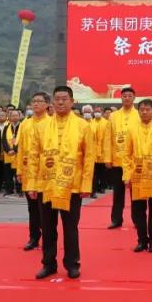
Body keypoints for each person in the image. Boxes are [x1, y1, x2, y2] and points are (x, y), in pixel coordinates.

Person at [32, 86, 96, 280]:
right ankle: (48, 263)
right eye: (57, 99)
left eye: (64, 99)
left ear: (72, 101)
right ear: (52, 102)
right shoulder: (41, 126)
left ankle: (72, 264)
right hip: (47, 185)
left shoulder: (83, 126)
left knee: (70, 227)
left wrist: (86, 185)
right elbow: (34, 156)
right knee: (47, 227)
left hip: (72, 186)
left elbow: (89, 157)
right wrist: (32, 184)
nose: (60, 102)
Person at [122, 99, 152, 253]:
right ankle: (142, 240)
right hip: (138, 175)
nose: (145, 112)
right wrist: (127, 175)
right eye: (142, 109)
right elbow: (127, 154)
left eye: (148, 109)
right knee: (138, 210)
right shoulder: (132, 129)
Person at [17, 92, 50, 250]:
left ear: (47, 105)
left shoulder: (51, 123)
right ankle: (33, 237)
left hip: (45, 171)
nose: (36, 104)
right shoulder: (25, 124)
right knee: (32, 208)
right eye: (34, 101)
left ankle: (49, 238)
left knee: (45, 208)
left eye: (40, 101)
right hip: (28, 170)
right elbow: (21, 148)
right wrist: (19, 170)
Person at [107, 87, 141, 229]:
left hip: (134, 161)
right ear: (121, 98)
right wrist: (107, 158)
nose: (127, 98)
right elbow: (108, 138)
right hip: (117, 160)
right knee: (118, 192)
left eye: (129, 96)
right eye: (124, 96)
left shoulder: (139, 114)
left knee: (136, 193)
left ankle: (137, 219)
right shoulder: (113, 116)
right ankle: (116, 219)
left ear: (134, 98)